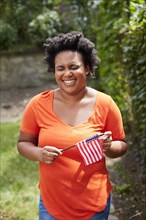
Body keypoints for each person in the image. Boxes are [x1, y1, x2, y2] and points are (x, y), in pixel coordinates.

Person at [17, 31, 127, 220]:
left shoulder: (105, 104)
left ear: (87, 68)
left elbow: (122, 145)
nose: (67, 73)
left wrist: (109, 147)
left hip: (94, 206)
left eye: (73, 66)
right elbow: (23, 144)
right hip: (52, 205)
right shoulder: (38, 104)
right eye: (60, 68)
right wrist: (39, 153)